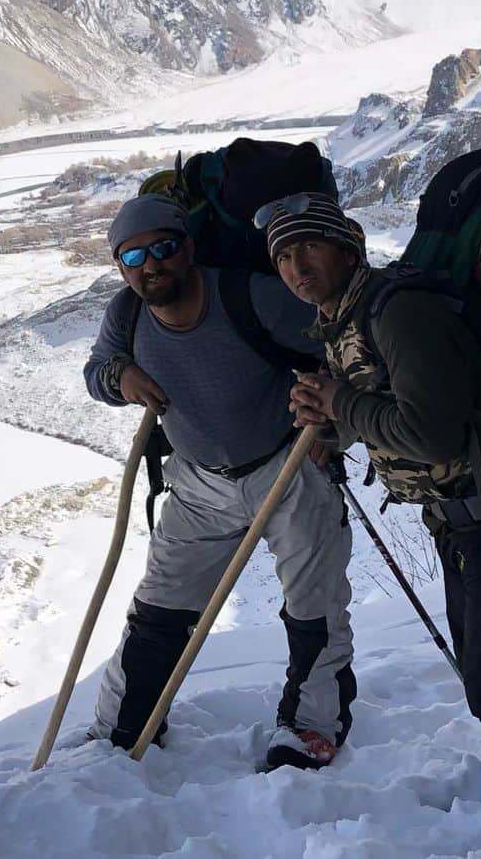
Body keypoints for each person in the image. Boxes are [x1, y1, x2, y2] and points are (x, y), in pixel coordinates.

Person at [262, 191, 481, 840]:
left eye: (311, 247)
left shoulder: (398, 311)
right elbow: (380, 415)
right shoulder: (344, 320)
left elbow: (432, 431)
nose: (298, 265)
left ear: (347, 248)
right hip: (463, 516)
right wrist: (330, 418)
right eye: (285, 255)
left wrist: (340, 401)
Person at [83, 194, 355, 770]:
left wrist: (331, 407)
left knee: (314, 608)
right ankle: (123, 729)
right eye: (133, 257)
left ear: (188, 247)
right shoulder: (126, 316)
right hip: (198, 481)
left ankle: (310, 727)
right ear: (121, 268)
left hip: (288, 466)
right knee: (159, 609)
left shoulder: (248, 297)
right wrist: (119, 374)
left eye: (162, 248)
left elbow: (338, 344)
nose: (150, 265)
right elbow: (96, 372)